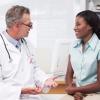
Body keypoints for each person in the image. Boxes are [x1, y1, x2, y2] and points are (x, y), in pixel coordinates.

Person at [0, 5, 57, 100]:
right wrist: (20, 90)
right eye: (29, 25)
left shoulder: (27, 45)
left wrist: (45, 80)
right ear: (16, 25)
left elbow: (34, 69)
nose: (31, 28)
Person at [61, 10, 100, 100]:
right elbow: (69, 75)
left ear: (90, 26)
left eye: (78, 24)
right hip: (76, 93)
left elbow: (99, 84)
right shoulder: (73, 46)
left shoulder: (99, 47)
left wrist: (75, 90)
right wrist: (73, 89)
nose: (74, 28)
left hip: (95, 93)